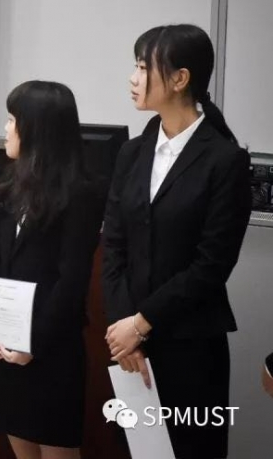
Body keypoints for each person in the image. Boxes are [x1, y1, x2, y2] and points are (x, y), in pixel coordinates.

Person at [102, 24, 251, 459]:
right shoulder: (132, 152)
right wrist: (124, 329)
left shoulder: (225, 160)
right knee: (134, 451)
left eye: (142, 67)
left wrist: (141, 323)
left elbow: (212, 265)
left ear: (180, 78)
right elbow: (114, 246)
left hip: (191, 347)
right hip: (129, 347)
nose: (133, 78)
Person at [0, 81, 103, 459]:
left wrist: (33, 341)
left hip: (51, 347)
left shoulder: (80, 193)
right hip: (8, 344)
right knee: (20, 447)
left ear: (36, 128)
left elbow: (71, 280)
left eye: (12, 120)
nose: (5, 129)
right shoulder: (10, 184)